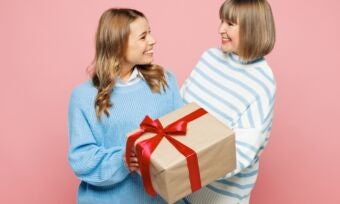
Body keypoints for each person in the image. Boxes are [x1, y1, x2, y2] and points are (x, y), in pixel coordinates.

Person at [68, 8, 184, 204]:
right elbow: (82, 159)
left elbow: (182, 136)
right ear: (119, 44)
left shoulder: (164, 81)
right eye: (143, 36)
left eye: (150, 32)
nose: (152, 40)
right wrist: (123, 159)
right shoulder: (83, 96)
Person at [180, 0, 276, 203]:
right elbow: (179, 112)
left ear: (253, 28)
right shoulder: (209, 58)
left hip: (219, 197)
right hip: (179, 188)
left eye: (230, 23)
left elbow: (240, 152)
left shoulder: (262, 82)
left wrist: (188, 169)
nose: (220, 29)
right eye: (222, 21)